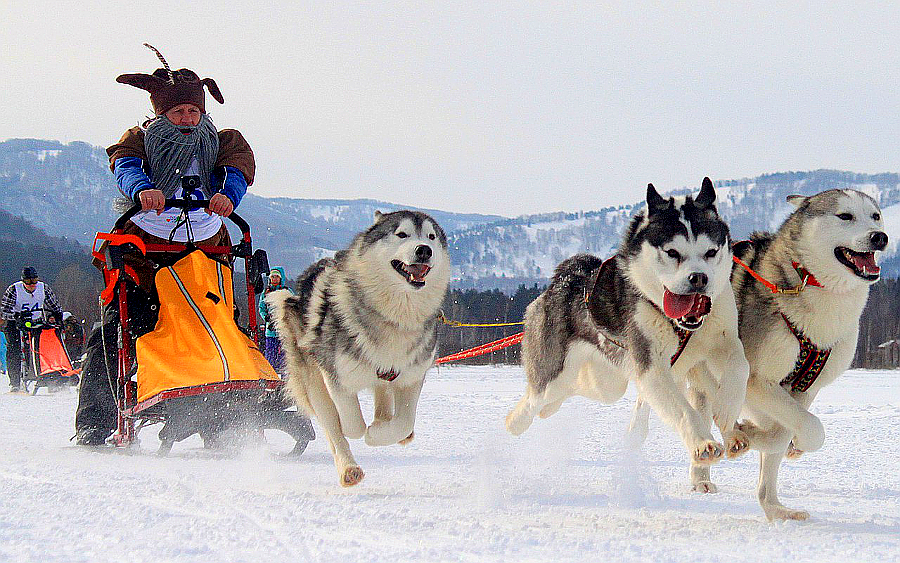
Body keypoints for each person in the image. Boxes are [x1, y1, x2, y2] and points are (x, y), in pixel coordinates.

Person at [75, 45, 256, 445]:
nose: (188, 119)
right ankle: (95, 420)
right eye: (179, 113)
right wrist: (142, 190)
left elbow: (238, 168)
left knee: (223, 326)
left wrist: (228, 194)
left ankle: (226, 413)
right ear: (162, 113)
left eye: (194, 111)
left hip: (206, 251)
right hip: (146, 253)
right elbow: (125, 165)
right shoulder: (140, 139)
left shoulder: (222, 140)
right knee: (114, 331)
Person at [1, 267, 64, 393]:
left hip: (36, 321)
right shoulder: (14, 289)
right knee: (14, 349)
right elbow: (4, 311)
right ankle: (15, 382)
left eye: (34, 281)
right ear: (23, 281)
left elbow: (55, 306)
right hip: (16, 322)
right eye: (28, 282)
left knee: (45, 346)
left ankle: (50, 377)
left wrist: (54, 316)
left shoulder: (43, 288)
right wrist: (15, 316)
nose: (32, 285)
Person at [258, 268, 292, 374]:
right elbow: (261, 307)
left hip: (283, 328)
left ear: (280, 278)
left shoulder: (286, 292)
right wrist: (266, 317)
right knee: (270, 353)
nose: (274, 279)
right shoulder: (266, 292)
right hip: (271, 329)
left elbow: (292, 306)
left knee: (284, 354)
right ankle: (271, 374)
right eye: (272, 277)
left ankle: (284, 374)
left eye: (276, 276)